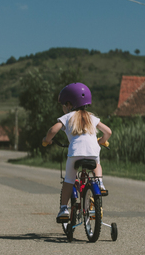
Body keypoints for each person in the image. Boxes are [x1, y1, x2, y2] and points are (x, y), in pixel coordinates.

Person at [42, 82, 112, 221]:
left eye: (63, 105)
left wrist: (47, 140)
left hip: (75, 153)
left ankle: (63, 210)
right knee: (96, 165)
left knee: (69, 180)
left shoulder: (68, 117)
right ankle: (99, 183)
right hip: (93, 152)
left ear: (69, 105)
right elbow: (108, 131)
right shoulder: (91, 117)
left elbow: (52, 130)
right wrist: (102, 141)